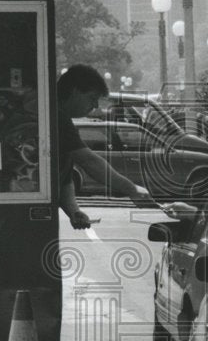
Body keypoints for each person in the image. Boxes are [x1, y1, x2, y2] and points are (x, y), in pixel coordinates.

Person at [56, 65, 152, 228]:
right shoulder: (57, 117)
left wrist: (74, 211)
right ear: (75, 92)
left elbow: (64, 178)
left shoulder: (61, 118)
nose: (94, 106)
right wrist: (132, 189)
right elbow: (89, 161)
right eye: (92, 98)